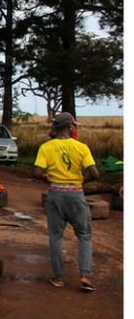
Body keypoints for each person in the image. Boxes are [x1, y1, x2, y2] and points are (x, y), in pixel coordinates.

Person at [34, 112, 99, 291]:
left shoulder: (46, 147)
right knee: (84, 236)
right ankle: (85, 275)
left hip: (55, 194)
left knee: (56, 237)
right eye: (74, 126)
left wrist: (51, 179)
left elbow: (37, 173)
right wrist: (81, 182)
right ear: (70, 127)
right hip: (76, 194)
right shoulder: (81, 147)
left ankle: (59, 278)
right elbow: (95, 173)